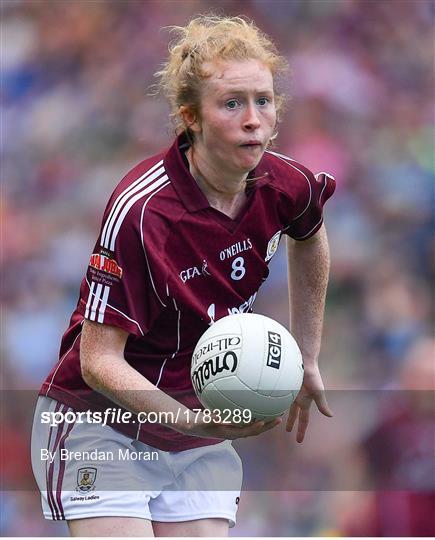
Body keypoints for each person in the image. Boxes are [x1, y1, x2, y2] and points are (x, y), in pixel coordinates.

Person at [31, 15, 335, 537]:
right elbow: (98, 359)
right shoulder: (145, 211)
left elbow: (310, 235)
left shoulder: (287, 184)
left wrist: (307, 352)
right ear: (191, 116)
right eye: (232, 102)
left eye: (264, 100)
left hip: (195, 427)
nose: (254, 119)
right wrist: (187, 419)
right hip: (102, 423)